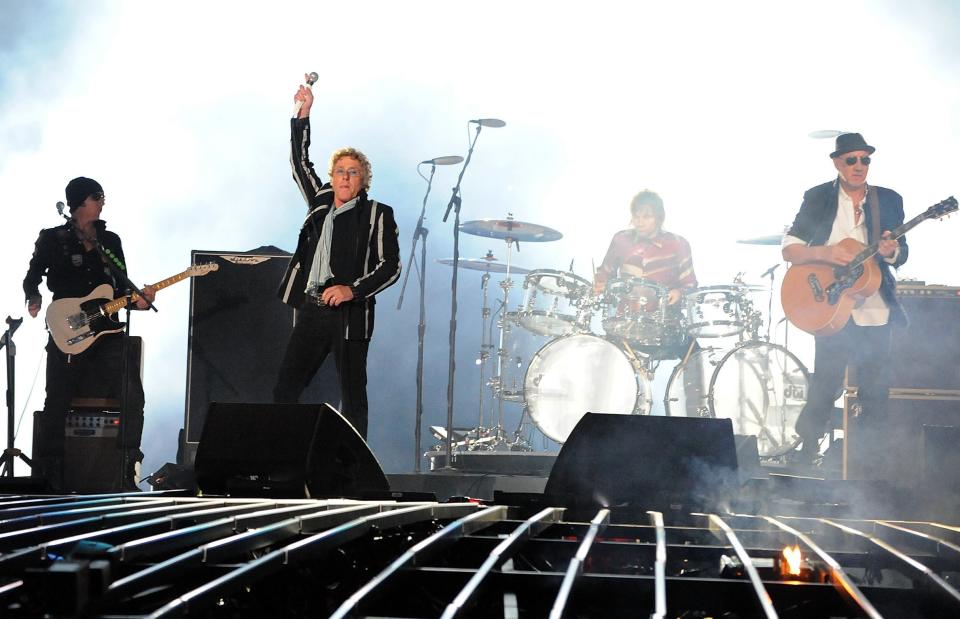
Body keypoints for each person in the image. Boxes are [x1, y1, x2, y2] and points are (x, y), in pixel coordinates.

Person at [273, 77, 401, 440]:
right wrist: (302, 115)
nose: (346, 177)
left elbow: (391, 266)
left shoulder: (377, 213)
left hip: (350, 314)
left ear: (364, 180)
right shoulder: (319, 200)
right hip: (312, 308)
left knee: (352, 398)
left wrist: (352, 290)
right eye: (340, 171)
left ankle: (352, 472)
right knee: (284, 391)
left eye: (353, 172)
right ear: (331, 177)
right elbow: (299, 162)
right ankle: (285, 458)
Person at [782, 132, 907, 470]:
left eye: (865, 159)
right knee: (825, 382)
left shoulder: (889, 200)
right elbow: (790, 246)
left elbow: (903, 252)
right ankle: (807, 453)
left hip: (874, 307)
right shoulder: (818, 197)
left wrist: (892, 250)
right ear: (837, 163)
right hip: (831, 303)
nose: (859, 166)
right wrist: (825, 253)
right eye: (851, 159)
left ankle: (868, 466)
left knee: (875, 389)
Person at [23, 177, 156, 492]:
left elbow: (121, 288)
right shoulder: (52, 238)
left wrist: (138, 300)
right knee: (56, 401)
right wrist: (34, 297)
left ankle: (126, 471)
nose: (103, 202)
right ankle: (49, 475)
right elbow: (32, 275)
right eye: (98, 196)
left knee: (132, 396)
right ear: (80, 201)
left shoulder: (109, 240)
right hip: (67, 329)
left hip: (107, 332)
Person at [594, 189, 698, 356]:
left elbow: (691, 285)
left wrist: (679, 293)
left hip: (666, 325)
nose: (639, 222)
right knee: (605, 359)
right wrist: (600, 282)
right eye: (636, 216)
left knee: (695, 357)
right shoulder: (621, 240)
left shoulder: (678, 244)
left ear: (659, 218)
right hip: (624, 323)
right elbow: (605, 272)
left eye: (646, 217)